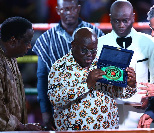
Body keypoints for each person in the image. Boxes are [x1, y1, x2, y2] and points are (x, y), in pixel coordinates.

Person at [32, 0, 104, 130]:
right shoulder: (46, 39)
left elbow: (107, 71)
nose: (69, 13)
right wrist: (45, 112)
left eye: (72, 9)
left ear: (78, 9)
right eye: (65, 9)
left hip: (96, 113)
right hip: (62, 111)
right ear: (58, 10)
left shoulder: (97, 34)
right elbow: (42, 78)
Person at [47, 27, 137, 130]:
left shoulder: (102, 64)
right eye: (84, 50)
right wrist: (86, 84)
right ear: (73, 45)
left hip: (107, 130)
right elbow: (55, 99)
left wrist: (130, 85)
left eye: (93, 50)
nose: (89, 55)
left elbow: (119, 93)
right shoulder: (60, 67)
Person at [97, 0, 154, 128]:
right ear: (110, 18)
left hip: (139, 112)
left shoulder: (149, 42)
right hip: (109, 113)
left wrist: (150, 100)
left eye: (125, 20)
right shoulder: (98, 44)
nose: (121, 25)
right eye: (117, 21)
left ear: (133, 17)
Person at [0, 17, 41, 131]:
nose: (29, 46)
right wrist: (21, 127)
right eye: (27, 42)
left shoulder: (10, 57)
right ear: (13, 41)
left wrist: (22, 126)